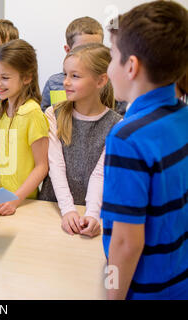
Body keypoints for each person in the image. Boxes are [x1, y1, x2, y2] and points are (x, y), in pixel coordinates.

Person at [101, 1, 188, 299]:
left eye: (112, 57)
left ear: (131, 66)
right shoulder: (183, 115)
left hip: (144, 290)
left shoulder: (127, 138)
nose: (109, 68)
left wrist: (112, 295)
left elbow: (126, 244)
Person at [38, 43, 122, 238]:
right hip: (54, 207)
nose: (66, 82)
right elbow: (55, 166)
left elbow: (100, 174)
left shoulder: (117, 124)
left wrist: (92, 214)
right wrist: (68, 210)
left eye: (75, 76)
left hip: (92, 211)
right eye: (65, 74)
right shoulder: (53, 113)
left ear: (101, 81)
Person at [0, 39, 49, 216]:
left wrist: (15, 200)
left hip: (23, 203)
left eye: (5, 78)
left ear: (27, 78)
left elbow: (42, 166)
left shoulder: (33, 113)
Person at [41, 17, 104, 112]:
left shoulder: (109, 82)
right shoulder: (53, 83)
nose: (90, 54)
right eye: (82, 49)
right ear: (68, 50)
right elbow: (45, 117)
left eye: (95, 48)